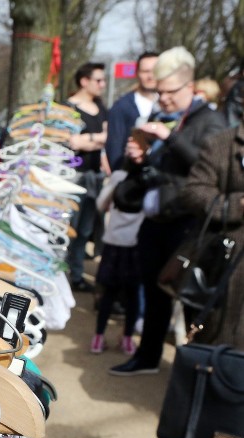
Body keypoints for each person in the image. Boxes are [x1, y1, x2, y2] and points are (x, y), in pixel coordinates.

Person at [109, 46, 227, 376]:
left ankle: (195, 371)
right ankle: (147, 357)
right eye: (158, 93)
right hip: (157, 221)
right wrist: (140, 158)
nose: (162, 99)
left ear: (190, 87)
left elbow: (207, 170)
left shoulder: (211, 123)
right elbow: (163, 171)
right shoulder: (169, 117)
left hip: (189, 227)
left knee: (190, 301)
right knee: (154, 293)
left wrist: (168, 138)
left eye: (168, 93)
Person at [178, 119, 244, 347]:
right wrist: (239, 203)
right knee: (220, 348)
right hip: (227, 265)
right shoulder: (220, 144)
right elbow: (194, 193)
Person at [64, 62, 109, 292]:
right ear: (84, 81)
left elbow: (106, 139)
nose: (103, 84)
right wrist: (98, 138)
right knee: (67, 228)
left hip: (95, 178)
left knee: (84, 230)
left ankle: (78, 274)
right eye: (99, 80)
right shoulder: (68, 108)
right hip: (72, 177)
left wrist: (88, 140)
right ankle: (61, 275)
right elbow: (71, 142)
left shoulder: (102, 108)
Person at [90, 177, 144, 355]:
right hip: (135, 247)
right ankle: (127, 340)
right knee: (133, 296)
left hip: (113, 245)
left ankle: (98, 338)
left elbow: (100, 205)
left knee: (108, 294)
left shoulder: (118, 178)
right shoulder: (149, 182)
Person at [105, 52, 159, 172]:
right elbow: (114, 149)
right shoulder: (121, 107)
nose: (150, 76)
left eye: (155, 70)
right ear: (137, 73)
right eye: (145, 71)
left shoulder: (167, 104)